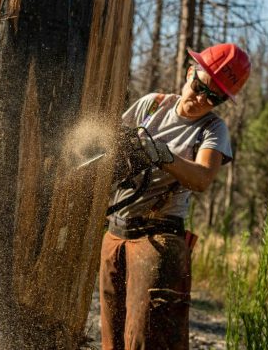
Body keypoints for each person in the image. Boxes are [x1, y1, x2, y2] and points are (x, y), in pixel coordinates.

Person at [99, 43, 251, 349]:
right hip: (116, 231)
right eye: (199, 86)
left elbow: (202, 177)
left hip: (159, 237)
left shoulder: (212, 130)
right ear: (189, 72)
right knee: (111, 337)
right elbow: (109, 144)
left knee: (145, 338)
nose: (200, 98)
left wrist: (163, 156)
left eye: (214, 97)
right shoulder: (151, 105)